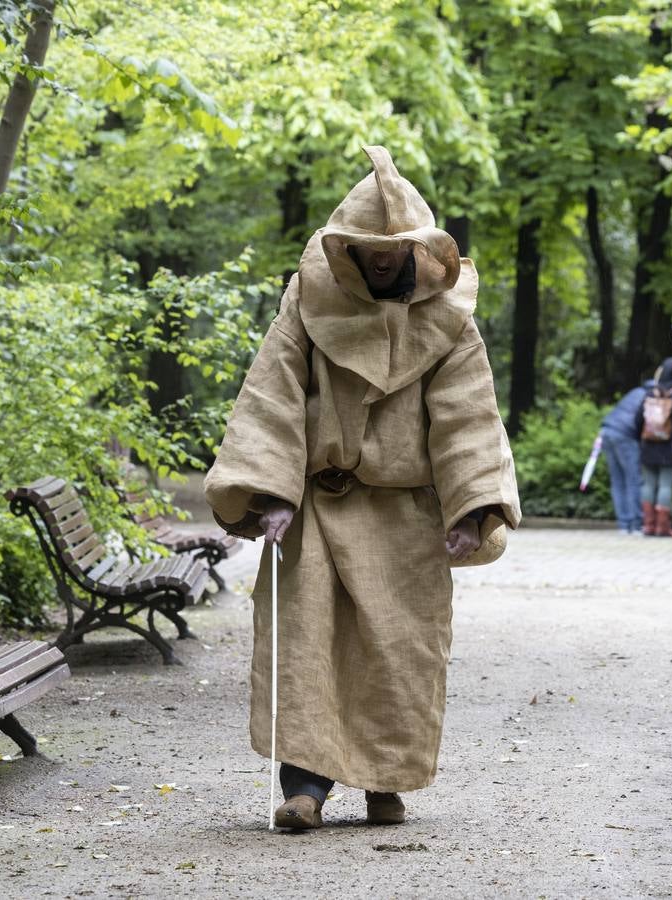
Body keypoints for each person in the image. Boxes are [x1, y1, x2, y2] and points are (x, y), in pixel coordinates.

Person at [204, 146, 521, 831]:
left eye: (393, 248)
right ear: (343, 247)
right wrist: (273, 490)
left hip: (407, 514)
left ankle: (386, 783)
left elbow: (468, 415)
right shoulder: (305, 303)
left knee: (399, 652)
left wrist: (471, 509)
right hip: (318, 506)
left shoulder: (451, 321)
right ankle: (306, 790)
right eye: (366, 247)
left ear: (419, 249)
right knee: (306, 647)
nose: (380, 259)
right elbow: (273, 395)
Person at [635, 357, 672, 537]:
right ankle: (663, 527)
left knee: (648, 484)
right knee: (665, 485)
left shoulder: (650, 393)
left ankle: (648, 525)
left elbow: (638, 419)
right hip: (669, 448)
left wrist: (643, 437)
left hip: (648, 445)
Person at [601, 379, 653, 534]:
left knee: (617, 481)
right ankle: (636, 524)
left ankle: (623, 524)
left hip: (607, 431)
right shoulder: (650, 398)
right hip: (625, 436)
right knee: (633, 480)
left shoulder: (634, 392)